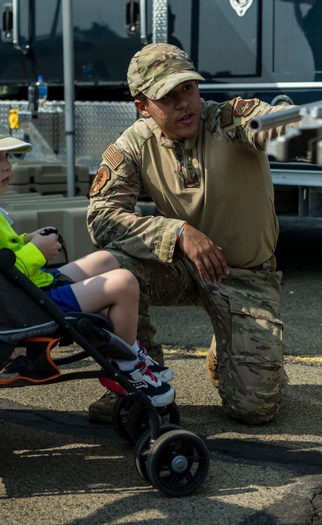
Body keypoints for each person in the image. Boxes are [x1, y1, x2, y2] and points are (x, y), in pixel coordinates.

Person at [86, 43, 294, 425]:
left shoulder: (228, 120)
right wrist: (176, 231)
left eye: (188, 89)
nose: (185, 103)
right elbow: (102, 217)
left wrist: (310, 125)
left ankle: (228, 346)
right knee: (113, 274)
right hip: (183, 268)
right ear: (142, 106)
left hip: (246, 275)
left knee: (254, 410)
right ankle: (136, 380)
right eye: (168, 96)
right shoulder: (133, 145)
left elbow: (276, 123)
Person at [0, 113, 175, 407]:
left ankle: (130, 350)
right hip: (26, 303)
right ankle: (128, 365)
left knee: (105, 259)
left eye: (6, 156)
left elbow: (0, 250)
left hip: (32, 289)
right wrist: (37, 252)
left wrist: (27, 241)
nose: (7, 165)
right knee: (123, 283)